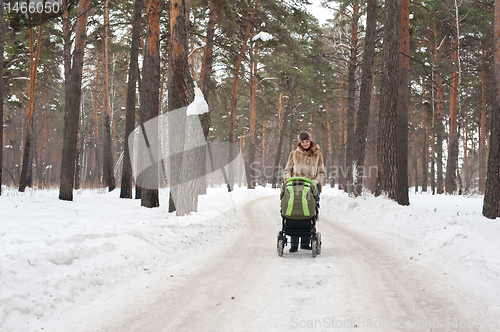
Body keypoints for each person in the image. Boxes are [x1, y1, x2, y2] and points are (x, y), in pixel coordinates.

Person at [283, 131, 326, 252]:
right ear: (300, 143)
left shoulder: (317, 155)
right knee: (296, 210)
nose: (305, 143)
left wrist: (318, 181)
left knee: (309, 211)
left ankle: (306, 242)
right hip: (296, 186)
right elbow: (287, 170)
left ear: (310, 141)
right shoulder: (294, 154)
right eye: (303, 141)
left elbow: (322, 172)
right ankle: (294, 244)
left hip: (311, 188)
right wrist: (288, 179)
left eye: (307, 141)